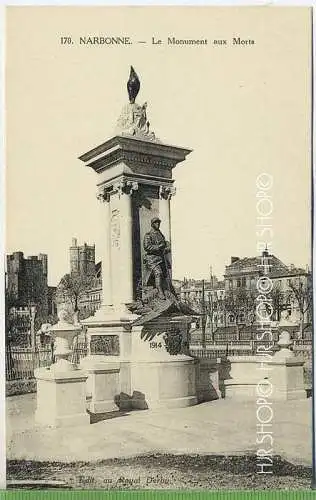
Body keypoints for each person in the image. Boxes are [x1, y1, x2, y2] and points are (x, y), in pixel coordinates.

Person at [143, 217, 171, 300]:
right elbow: (147, 247)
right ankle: (160, 292)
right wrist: (159, 247)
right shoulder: (148, 235)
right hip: (152, 259)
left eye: (158, 223)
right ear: (152, 224)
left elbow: (165, 244)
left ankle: (165, 291)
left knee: (164, 276)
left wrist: (167, 247)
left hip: (161, 259)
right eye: (155, 223)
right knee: (158, 273)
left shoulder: (160, 234)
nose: (157, 224)